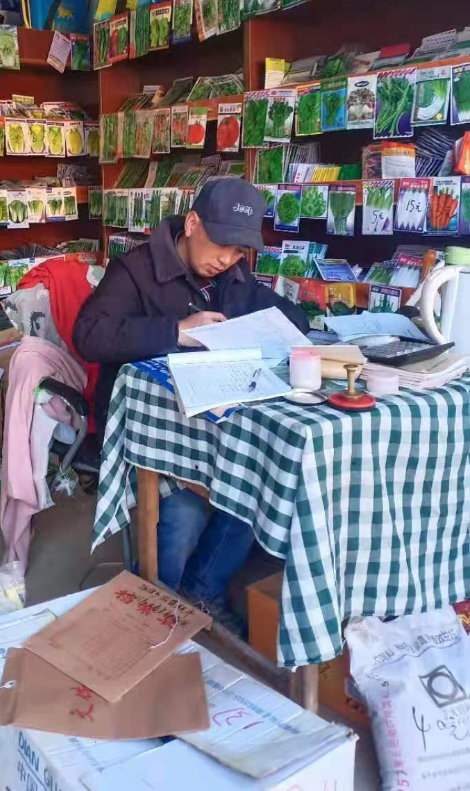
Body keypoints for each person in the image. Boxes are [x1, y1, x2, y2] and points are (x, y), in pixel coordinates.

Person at [73, 177, 309, 617]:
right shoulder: (135, 270)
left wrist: (268, 328)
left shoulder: (233, 276)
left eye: (238, 251)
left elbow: (290, 317)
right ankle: (157, 612)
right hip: (147, 434)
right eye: (221, 245)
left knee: (260, 483)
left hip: (209, 425)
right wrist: (176, 331)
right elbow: (89, 334)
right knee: (185, 515)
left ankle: (202, 589)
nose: (227, 259)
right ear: (193, 223)